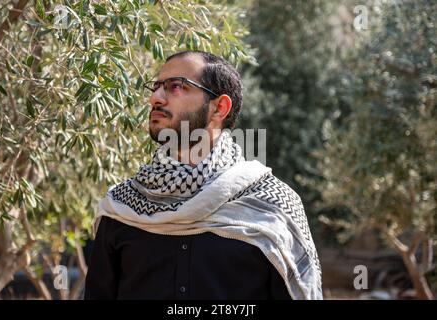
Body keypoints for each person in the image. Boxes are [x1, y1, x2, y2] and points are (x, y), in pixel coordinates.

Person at [84, 50, 322, 300]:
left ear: (219, 107)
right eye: (155, 87)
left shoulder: (273, 206)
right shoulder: (121, 208)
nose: (155, 98)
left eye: (175, 86)